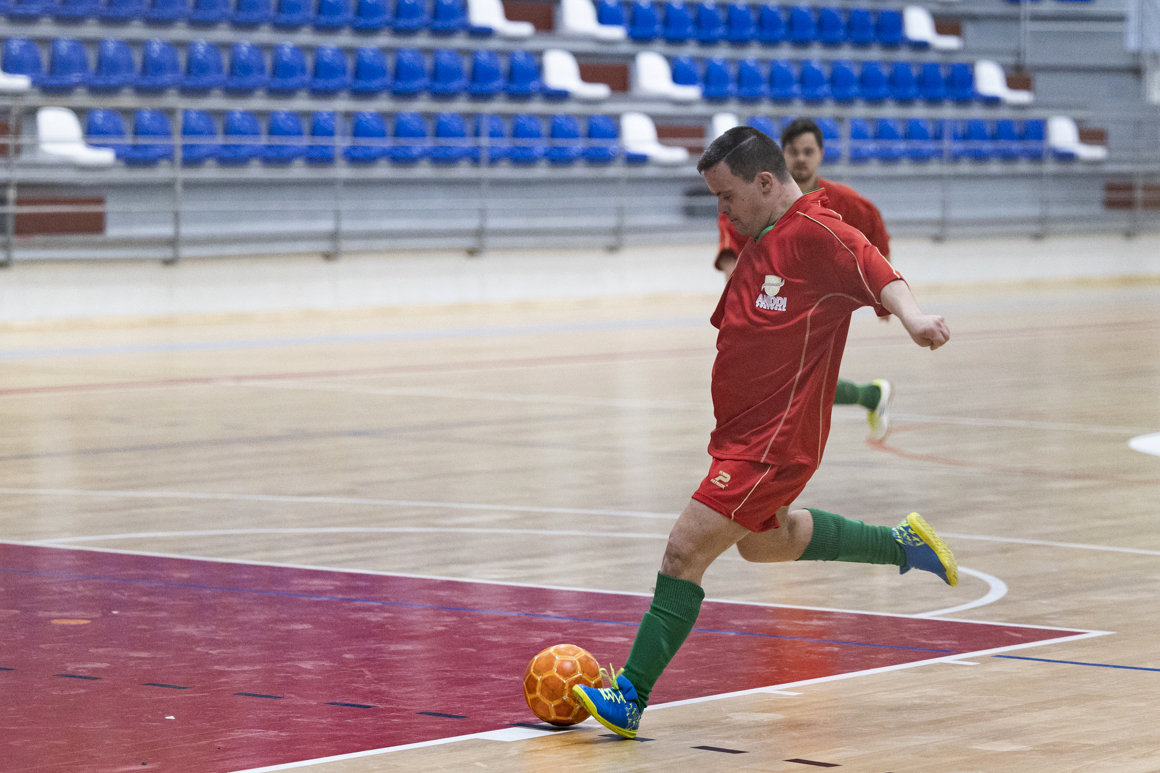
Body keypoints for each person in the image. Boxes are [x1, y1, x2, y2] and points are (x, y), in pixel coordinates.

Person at [572, 127, 956, 740]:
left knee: (683, 550)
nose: (722, 212)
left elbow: (876, 267)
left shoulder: (817, 232)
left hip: (770, 448)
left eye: (726, 197)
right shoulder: (764, 237)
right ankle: (900, 545)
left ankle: (630, 694)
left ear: (766, 182)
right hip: (742, 440)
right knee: (763, 543)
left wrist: (912, 319)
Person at [716, 118, 895, 441]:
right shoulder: (762, 201)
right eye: (794, 151)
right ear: (781, 156)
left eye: (808, 151)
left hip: (824, 303)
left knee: (793, 379)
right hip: (774, 299)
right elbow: (732, 244)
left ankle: (776, 444)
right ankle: (870, 396)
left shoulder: (845, 202)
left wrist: (884, 301)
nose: (801, 158)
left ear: (821, 154)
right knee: (789, 379)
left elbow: (875, 241)